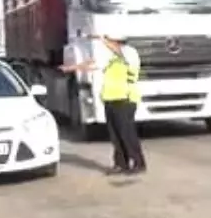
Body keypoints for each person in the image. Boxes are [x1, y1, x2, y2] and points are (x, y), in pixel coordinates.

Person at [61, 33, 147, 175]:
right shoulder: (111, 58)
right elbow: (93, 64)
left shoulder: (129, 53)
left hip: (125, 99)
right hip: (110, 99)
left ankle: (138, 162)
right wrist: (71, 68)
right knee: (115, 135)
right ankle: (121, 164)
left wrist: (101, 38)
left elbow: (117, 51)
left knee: (127, 133)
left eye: (111, 41)